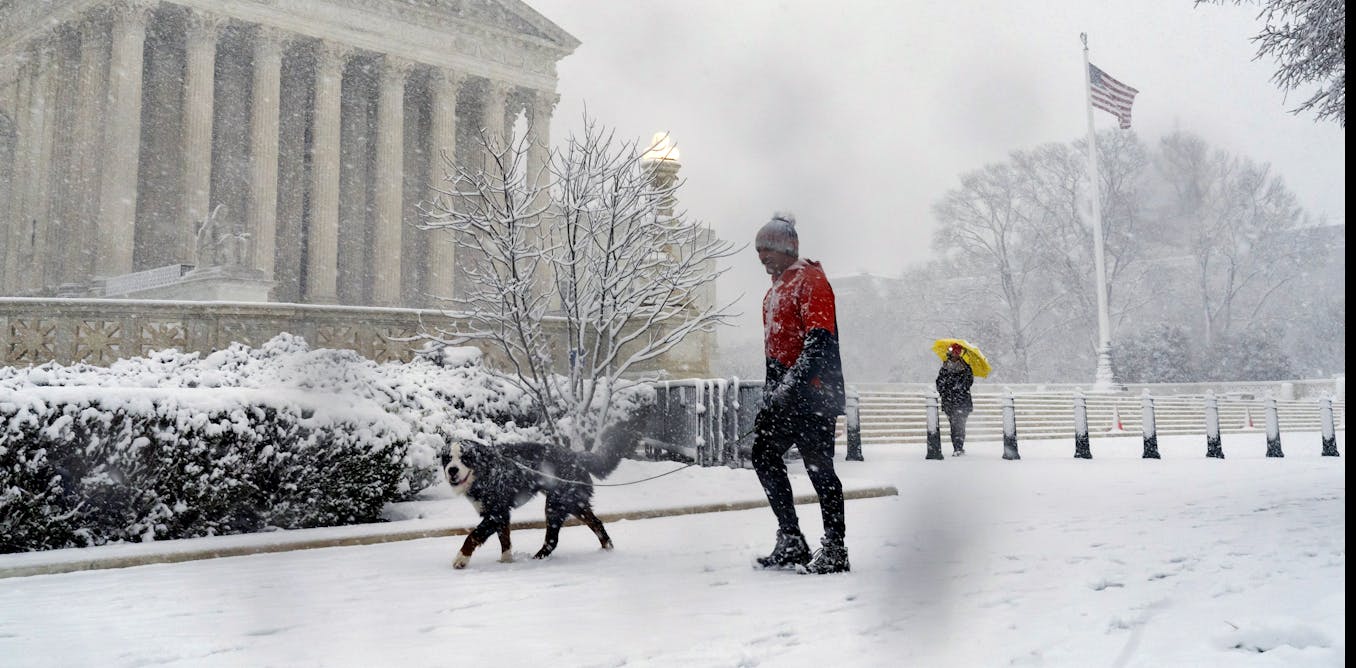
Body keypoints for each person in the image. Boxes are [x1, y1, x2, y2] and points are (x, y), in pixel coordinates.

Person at [750, 211, 849, 574]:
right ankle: (791, 539)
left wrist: (789, 388)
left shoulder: (812, 280)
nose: (762, 258)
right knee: (762, 454)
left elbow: (818, 343)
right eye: (758, 252)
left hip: (815, 394)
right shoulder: (774, 289)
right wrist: (769, 397)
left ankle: (835, 548)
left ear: (788, 247)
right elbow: (774, 352)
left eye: (768, 250)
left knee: (820, 470)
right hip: (786, 394)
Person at [936, 342, 974, 456]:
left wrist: (958, 387)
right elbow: (939, 383)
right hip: (949, 401)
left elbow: (969, 382)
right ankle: (957, 447)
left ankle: (959, 447)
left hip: (962, 401)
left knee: (961, 425)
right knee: (953, 425)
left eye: (958, 352)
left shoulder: (966, 367)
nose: (956, 354)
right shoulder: (945, 367)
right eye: (954, 352)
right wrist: (946, 390)